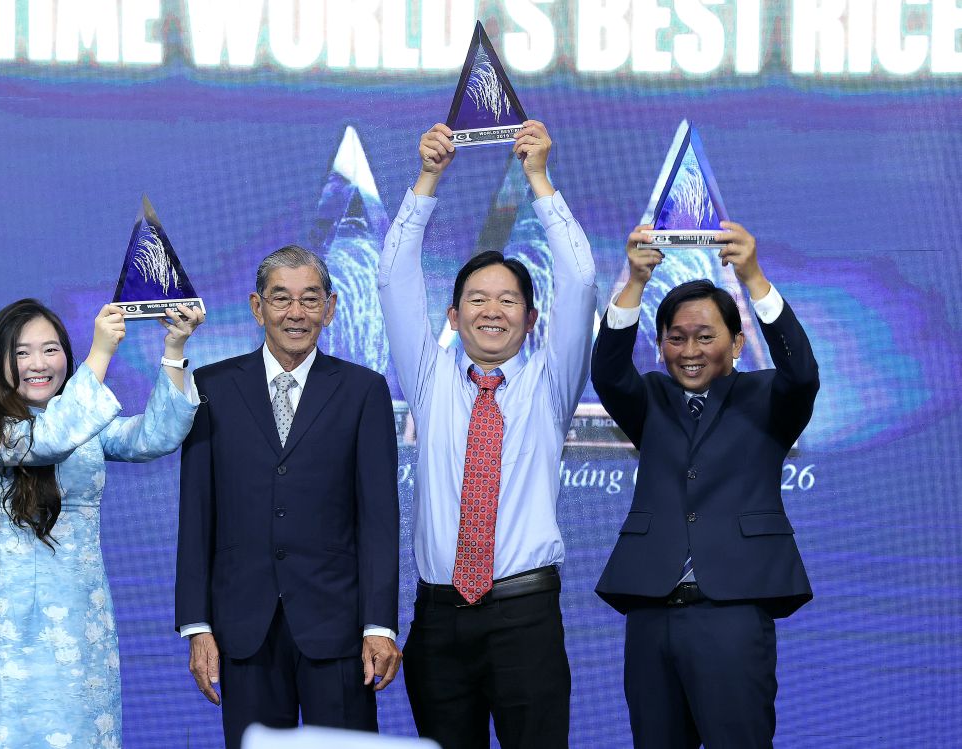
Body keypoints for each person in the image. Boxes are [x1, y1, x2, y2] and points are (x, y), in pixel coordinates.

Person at [378, 121, 598, 749]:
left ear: (531, 320)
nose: (492, 311)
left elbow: (580, 280)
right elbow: (393, 277)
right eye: (476, 299)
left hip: (525, 617)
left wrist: (538, 179)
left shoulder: (549, 386)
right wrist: (427, 179)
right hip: (438, 619)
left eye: (508, 301)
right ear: (453, 316)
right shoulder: (430, 378)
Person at [590, 223, 820, 748]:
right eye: (676, 337)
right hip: (650, 613)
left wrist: (752, 276)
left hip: (733, 611)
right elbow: (606, 371)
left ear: (736, 342)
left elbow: (802, 373)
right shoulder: (649, 398)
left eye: (705, 336)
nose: (689, 350)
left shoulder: (767, 397)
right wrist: (634, 280)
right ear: (661, 344)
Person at [175, 245, 400, 746]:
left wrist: (379, 624)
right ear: (258, 307)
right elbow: (197, 514)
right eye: (281, 299)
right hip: (242, 626)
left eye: (310, 299)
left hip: (337, 625)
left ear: (331, 306)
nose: (295, 313)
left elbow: (379, 519)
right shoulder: (210, 387)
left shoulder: (364, 390)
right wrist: (197, 624)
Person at [0, 299, 204, 748]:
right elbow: (51, 439)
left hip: (85, 606)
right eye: (21, 352)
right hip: (21, 614)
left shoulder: (82, 419)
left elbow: (155, 436)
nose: (39, 364)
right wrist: (103, 351)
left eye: (51, 350)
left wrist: (174, 347)